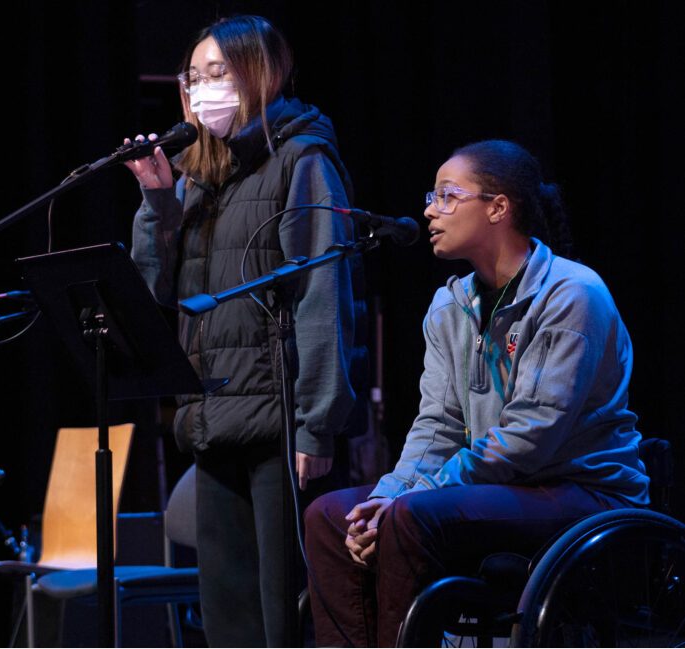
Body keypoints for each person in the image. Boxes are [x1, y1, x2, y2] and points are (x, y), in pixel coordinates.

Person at [304, 139, 649, 647]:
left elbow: (530, 436)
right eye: (432, 196)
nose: (428, 210)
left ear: (498, 207)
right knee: (331, 517)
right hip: (497, 487)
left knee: (411, 516)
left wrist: (416, 496)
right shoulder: (450, 305)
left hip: (580, 490)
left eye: (446, 196)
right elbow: (437, 426)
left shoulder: (572, 295)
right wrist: (386, 495)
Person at [124, 15, 367, 647]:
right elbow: (152, 299)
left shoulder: (302, 159)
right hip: (212, 416)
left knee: (284, 614)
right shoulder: (197, 174)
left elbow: (322, 295)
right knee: (228, 615)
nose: (204, 89)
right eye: (194, 77)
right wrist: (158, 206)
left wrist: (317, 422)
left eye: (219, 73)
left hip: (282, 425)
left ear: (260, 74)